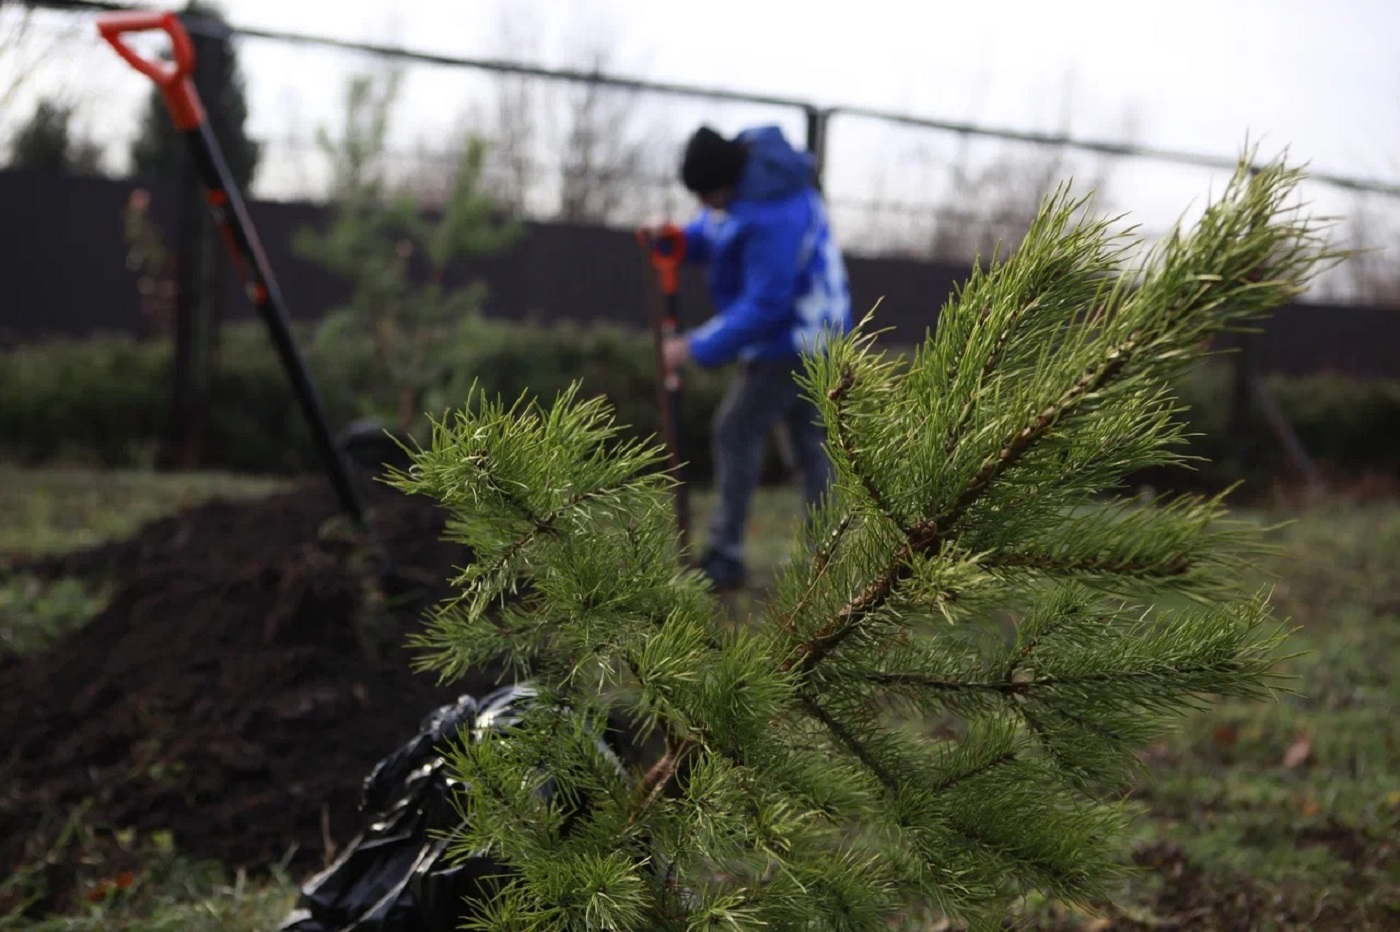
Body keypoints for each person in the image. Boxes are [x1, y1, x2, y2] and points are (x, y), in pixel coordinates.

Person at [656, 124, 852, 591]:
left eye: (709, 196)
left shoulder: (775, 211)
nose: (706, 207)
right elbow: (717, 230)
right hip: (811, 333)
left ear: (726, 183)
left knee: (736, 429)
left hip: (798, 337)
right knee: (810, 444)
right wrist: (682, 242)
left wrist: (694, 347)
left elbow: (767, 304)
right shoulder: (751, 181)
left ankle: (726, 555)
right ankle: (827, 559)